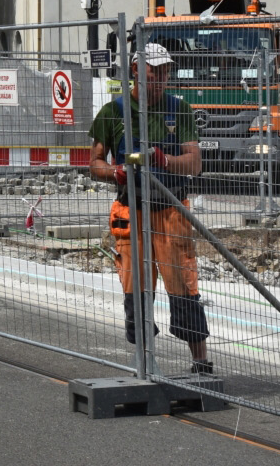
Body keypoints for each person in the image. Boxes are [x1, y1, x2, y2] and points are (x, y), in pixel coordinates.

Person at [88, 42, 210, 373]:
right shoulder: (113, 112)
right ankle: (145, 360)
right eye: (153, 74)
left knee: (183, 283)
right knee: (136, 288)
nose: (159, 80)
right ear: (135, 73)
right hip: (131, 209)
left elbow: (195, 163)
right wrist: (114, 172)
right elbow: (94, 163)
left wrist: (165, 160)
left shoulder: (179, 110)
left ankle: (200, 361)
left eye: (164, 74)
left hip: (171, 208)